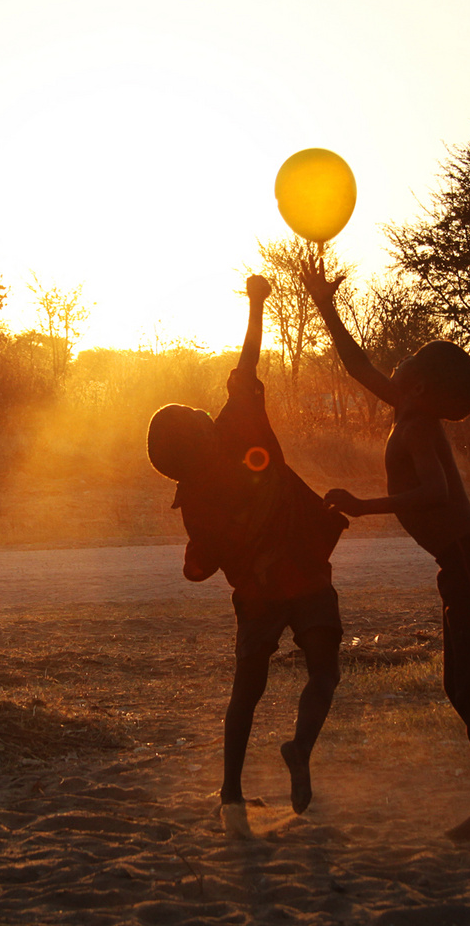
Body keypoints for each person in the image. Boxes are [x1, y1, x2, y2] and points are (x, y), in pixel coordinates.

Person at [300, 258, 470, 840]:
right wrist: (323, 306)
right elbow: (357, 366)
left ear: (418, 384)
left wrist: (361, 505)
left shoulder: (418, 426)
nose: (393, 369)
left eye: (407, 365)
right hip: (468, 564)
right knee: (469, 680)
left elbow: (436, 492)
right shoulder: (409, 411)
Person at [146, 274, 350, 839]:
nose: (203, 416)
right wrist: (257, 305)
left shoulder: (196, 494)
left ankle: (233, 792)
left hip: (261, 595)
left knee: (247, 693)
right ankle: (299, 749)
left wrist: (207, 553)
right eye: (195, 420)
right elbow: (248, 359)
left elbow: (200, 565)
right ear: (199, 437)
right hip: (305, 573)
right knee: (324, 671)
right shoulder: (237, 426)